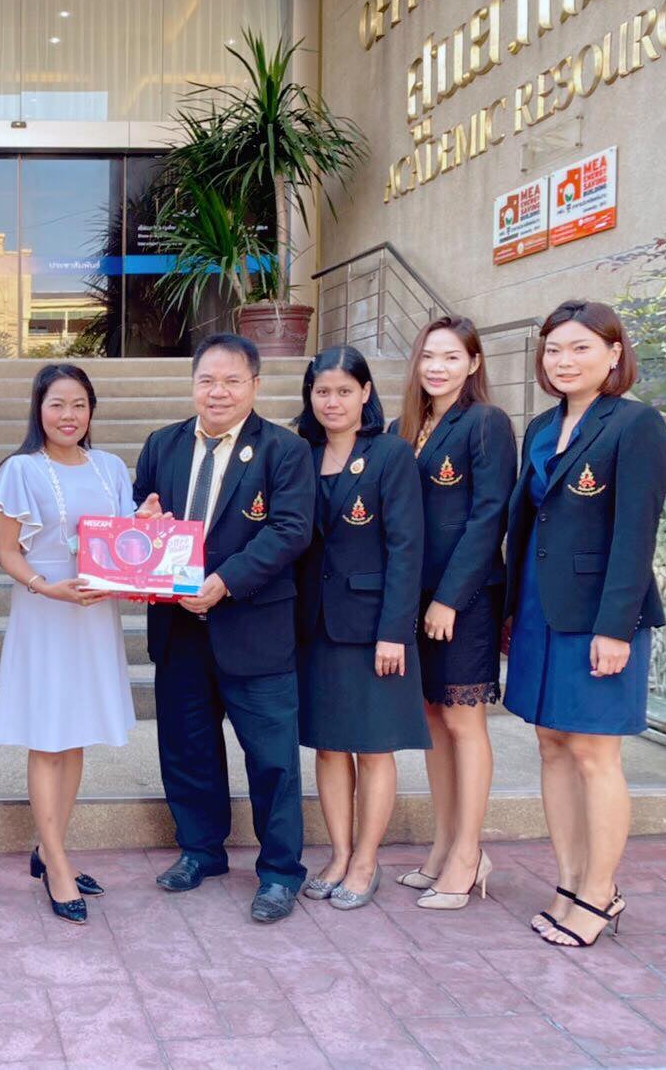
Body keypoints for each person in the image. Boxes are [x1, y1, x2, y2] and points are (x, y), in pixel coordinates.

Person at [505, 301, 666, 948]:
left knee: (595, 754)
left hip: (601, 613)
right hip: (540, 609)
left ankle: (600, 893)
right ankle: (570, 881)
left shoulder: (635, 424)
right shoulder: (541, 427)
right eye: (553, 349)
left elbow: (635, 534)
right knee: (551, 743)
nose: (564, 361)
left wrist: (616, 628)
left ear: (613, 353)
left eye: (580, 348)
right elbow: (529, 524)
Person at [132, 333, 314, 923]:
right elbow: (139, 515)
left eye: (233, 381)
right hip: (178, 629)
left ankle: (280, 871)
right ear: (193, 384)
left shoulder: (285, 450)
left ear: (255, 385)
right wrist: (142, 522)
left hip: (252, 627)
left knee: (272, 759)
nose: (218, 392)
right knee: (187, 747)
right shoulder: (162, 444)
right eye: (207, 380)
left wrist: (225, 581)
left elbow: (290, 529)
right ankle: (200, 850)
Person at [0, 364, 136, 925]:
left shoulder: (111, 467)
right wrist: (46, 586)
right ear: (39, 409)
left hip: (94, 615)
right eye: (57, 404)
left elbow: (125, 540)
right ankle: (56, 864)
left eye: (79, 404)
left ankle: (50, 848)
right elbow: (6, 551)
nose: (68, 415)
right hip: (46, 609)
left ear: (91, 409)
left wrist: (147, 523)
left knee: (74, 737)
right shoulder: (20, 470)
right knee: (48, 739)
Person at [292, 347, 429, 911]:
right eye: (322, 391)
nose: (332, 402)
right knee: (328, 747)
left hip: (373, 628)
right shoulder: (300, 453)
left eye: (344, 391)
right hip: (314, 624)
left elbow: (406, 547)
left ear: (366, 393)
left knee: (373, 748)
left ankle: (367, 861)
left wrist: (394, 630)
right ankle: (339, 853)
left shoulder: (390, 454)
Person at [387, 317, 517, 909]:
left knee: (463, 722)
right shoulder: (407, 427)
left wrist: (449, 599)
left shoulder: (485, 422)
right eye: (428, 357)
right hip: (414, 596)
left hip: (462, 600)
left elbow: (489, 516)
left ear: (474, 363)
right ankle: (443, 846)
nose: (436, 368)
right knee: (433, 720)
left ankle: (469, 854)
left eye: (450, 357)